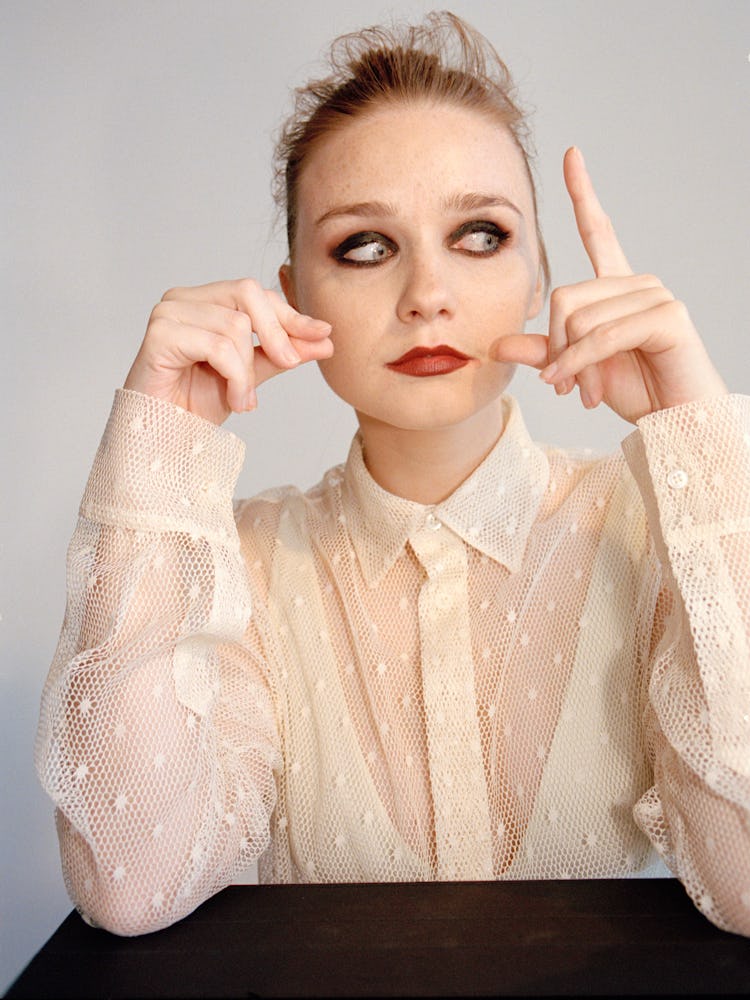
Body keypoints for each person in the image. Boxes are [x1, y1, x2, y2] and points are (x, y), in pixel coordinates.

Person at [35, 10, 750, 938]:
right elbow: (131, 884)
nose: (425, 295)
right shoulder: (237, 562)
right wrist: (160, 446)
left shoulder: (655, 528)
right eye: (364, 247)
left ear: (541, 277)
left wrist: (694, 435)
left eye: (482, 235)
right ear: (293, 295)